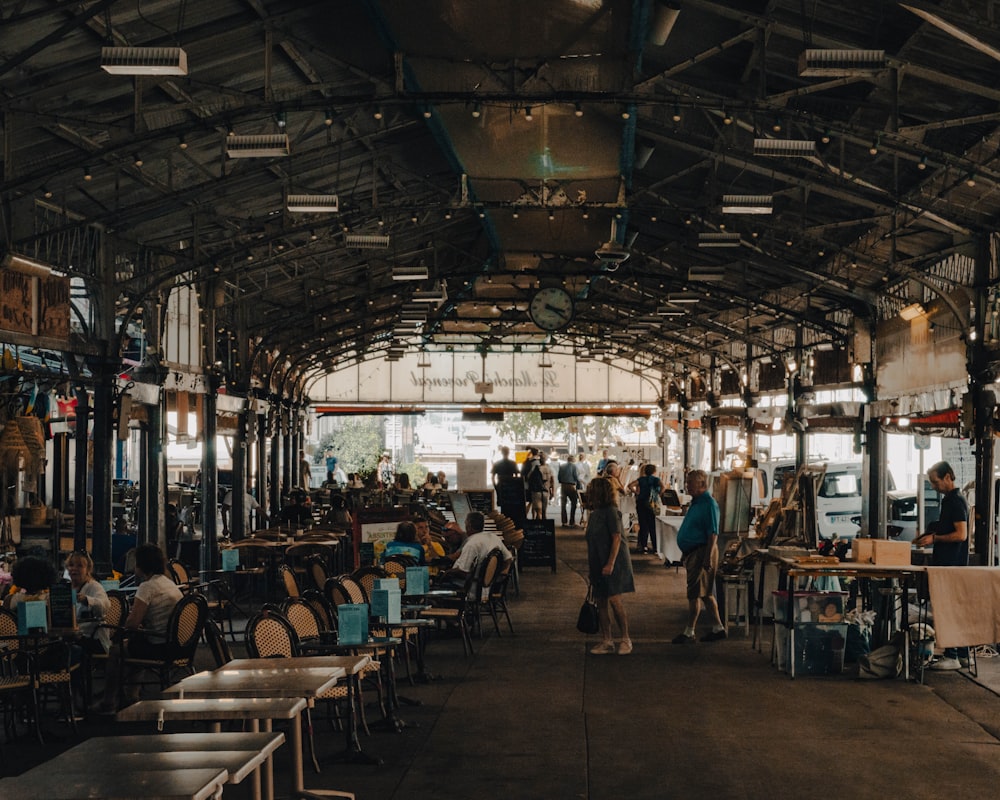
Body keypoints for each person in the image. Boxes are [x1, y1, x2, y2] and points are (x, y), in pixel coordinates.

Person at [97, 544, 183, 712]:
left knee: (116, 650)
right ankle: (131, 695)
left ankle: (108, 701)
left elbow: (132, 624)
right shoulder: (168, 583)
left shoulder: (147, 587)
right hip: (177, 645)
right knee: (134, 644)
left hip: (159, 647)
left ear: (141, 565)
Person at [914, 460, 970, 670]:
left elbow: (961, 534)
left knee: (948, 610)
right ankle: (963, 655)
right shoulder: (950, 501)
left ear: (948, 477)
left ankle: (952, 655)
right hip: (950, 564)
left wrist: (934, 539)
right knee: (953, 610)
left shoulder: (955, 501)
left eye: (936, 482)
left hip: (951, 565)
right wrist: (930, 532)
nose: (934, 486)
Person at [672, 469, 727, 644]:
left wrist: (707, 558)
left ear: (702, 484)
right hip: (693, 552)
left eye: (690, 483)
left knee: (694, 593)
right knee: (705, 593)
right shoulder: (696, 502)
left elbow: (713, 533)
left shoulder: (709, 504)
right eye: (687, 482)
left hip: (702, 552)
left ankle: (689, 631)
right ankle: (718, 628)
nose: (687, 486)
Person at [585, 476, 634, 655]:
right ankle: (607, 640)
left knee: (614, 600)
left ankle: (625, 639)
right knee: (601, 601)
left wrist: (610, 563)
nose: (588, 494)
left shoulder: (611, 512)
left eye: (592, 490)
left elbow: (616, 537)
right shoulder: (595, 513)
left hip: (614, 563)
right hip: (598, 562)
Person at [437, 512, 512, 592]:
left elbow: (464, 572)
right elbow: (508, 559)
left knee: (437, 584)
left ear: (468, 526)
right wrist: (493, 576)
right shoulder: (494, 538)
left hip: (470, 588)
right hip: (489, 587)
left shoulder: (471, 544)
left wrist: (448, 572)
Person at [66, 551, 111, 652]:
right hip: (69, 637)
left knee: (66, 651)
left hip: (92, 639)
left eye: (79, 566)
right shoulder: (65, 587)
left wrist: (87, 600)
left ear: (88, 569)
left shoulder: (94, 586)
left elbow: (105, 606)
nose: (74, 569)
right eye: (71, 565)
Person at [629, 463, 663, 554]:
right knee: (653, 526)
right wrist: (659, 495)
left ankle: (644, 547)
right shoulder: (656, 480)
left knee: (643, 525)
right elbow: (662, 487)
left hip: (641, 503)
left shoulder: (641, 479)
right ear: (654, 471)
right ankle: (655, 547)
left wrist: (637, 493)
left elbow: (630, 485)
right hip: (652, 504)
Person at [558, 453, 581, 528]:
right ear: (573, 460)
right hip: (571, 486)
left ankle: (564, 522)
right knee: (574, 503)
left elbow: (559, 477)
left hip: (563, 486)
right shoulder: (574, 466)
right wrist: (579, 486)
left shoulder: (561, 466)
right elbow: (575, 477)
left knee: (563, 504)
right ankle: (572, 521)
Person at [524, 450, 548, 519]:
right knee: (541, 510)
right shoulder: (546, 467)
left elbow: (528, 475)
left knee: (535, 505)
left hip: (534, 488)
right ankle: (536, 519)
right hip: (543, 489)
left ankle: (534, 518)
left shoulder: (530, 463)